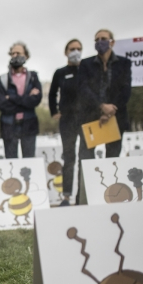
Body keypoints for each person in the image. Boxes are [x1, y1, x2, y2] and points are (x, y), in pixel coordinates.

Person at [77, 29, 131, 160]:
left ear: (111, 42)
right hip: (90, 117)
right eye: (97, 40)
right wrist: (101, 106)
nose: (99, 42)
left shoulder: (124, 63)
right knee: (86, 159)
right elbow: (84, 89)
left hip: (115, 117)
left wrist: (109, 112)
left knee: (112, 160)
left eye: (103, 39)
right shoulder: (86, 64)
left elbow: (126, 90)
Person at [49, 39, 83, 206]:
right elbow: (52, 93)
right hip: (67, 120)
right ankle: (67, 196)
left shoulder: (87, 69)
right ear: (66, 52)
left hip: (85, 120)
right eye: (72, 49)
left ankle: (82, 196)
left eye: (78, 49)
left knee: (85, 156)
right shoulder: (60, 72)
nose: (75, 51)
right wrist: (54, 111)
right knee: (69, 158)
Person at [0, 42, 42, 158]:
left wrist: (11, 98)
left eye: (18, 53)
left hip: (29, 124)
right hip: (9, 125)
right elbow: (2, 105)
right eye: (13, 53)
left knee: (29, 160)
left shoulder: (33, 77)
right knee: (11, 162)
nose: (15, 55)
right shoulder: (3, 79)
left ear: (26, 56)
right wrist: (26, 100)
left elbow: (35, 101)